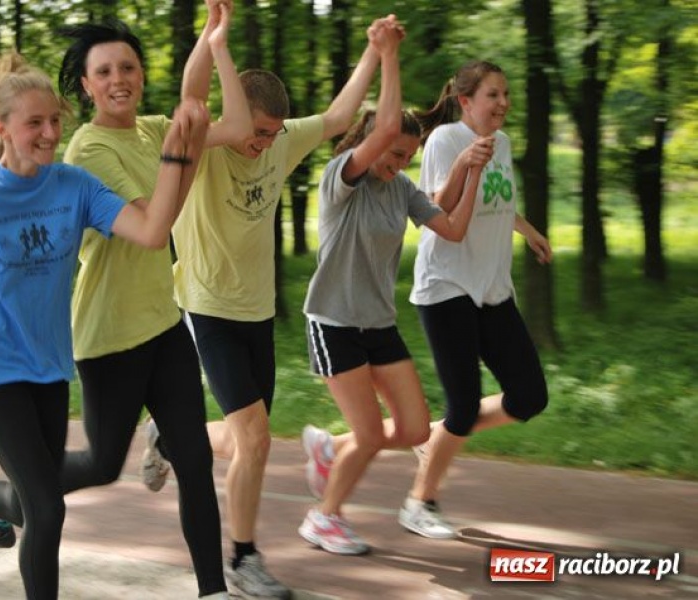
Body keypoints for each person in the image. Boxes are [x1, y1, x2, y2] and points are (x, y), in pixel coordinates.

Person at [0, 52, 209, 600]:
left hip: (50, 368)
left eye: (55, 120)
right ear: (1, 128)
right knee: (47, 508)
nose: (51, 133)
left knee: (37, 499)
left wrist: (177, 151)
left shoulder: (74, 187)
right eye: (35, 123)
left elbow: (154, 232)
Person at [146, 14, 401, 599]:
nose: (263, 143)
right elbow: (194, 97)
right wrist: (215, 40)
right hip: (207, 308)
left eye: (271, 134)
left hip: (257, 312)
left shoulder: (281, 140)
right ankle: (244, 558)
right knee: (257, 439)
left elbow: (338, 118)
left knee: (246, 442)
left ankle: (169, 435)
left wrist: (373, 51)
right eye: (257, 131)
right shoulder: (206, 147)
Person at [50, 3, 248, 598]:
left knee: (195, 459)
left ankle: (213, 589)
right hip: (110, 335)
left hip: (163, 324)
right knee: (101, 465)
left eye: (128, 67)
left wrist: (214, 41)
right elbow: (153, 228)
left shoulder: (151, 129)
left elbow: (237, 123)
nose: (119, 80)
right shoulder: (88, 151)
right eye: (104, 71)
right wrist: (183, 147)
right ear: (86, 87)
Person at [295, 19, 489, 556]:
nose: (399, 163)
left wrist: (471, 171)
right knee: (371, 435)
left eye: (407, 156)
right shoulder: (343, 177)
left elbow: (451, 227)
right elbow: (383, 129)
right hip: (334, 321)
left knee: (415, 428)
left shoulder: (401, 188)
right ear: (369, 143)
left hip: (378, 323)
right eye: (394, 153)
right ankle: (324, 518)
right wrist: (387, 54)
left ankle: (329, 448)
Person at [396, 60, 553, 539]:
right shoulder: (445, 140)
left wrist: (529, 231)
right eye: (492, 95)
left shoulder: (502, 143)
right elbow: (434, 210)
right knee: (463, 405)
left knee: (529, 395)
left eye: (506, 94)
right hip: (447, 286)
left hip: (491, 288)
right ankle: (419, 503)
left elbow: (499, 204)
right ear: (466, 101)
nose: (503, 103)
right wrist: (465, 163)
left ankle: (438, 435)